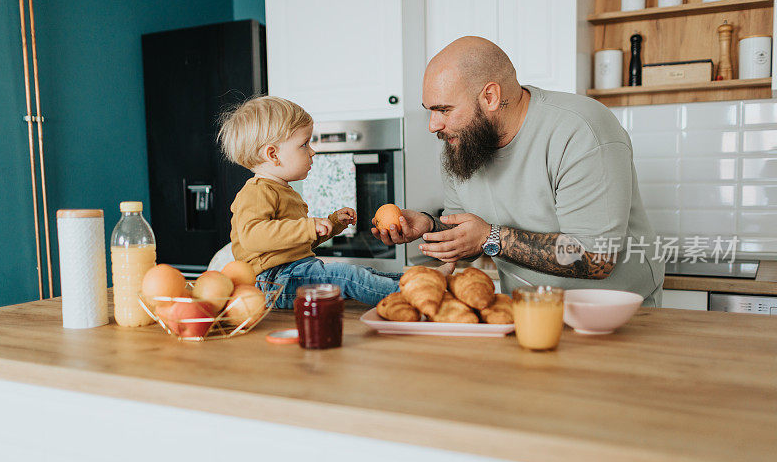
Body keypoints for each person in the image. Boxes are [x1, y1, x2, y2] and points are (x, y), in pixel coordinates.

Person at [371, 36, 665, 306]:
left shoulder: (580, 129)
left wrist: (490, 237)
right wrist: (431, 226)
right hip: (525, 312)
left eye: (444, 110)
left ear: (490, 97)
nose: (432, 125)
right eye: (429, 110)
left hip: (616, 317)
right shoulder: (463, 143)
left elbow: (596, 257)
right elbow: (470, 238)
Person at [218, 96, 424, 309]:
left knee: (364, 273)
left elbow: (295, 242)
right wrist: (308, 226)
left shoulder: (284, 191)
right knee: (347, 276)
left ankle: (424, 282)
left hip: (293, 272)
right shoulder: (256, 192)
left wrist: (332, 224)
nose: (312, 151)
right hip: (273, 281)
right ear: (273, 154)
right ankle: (415, 295)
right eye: (304, 144)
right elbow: (253, 237)